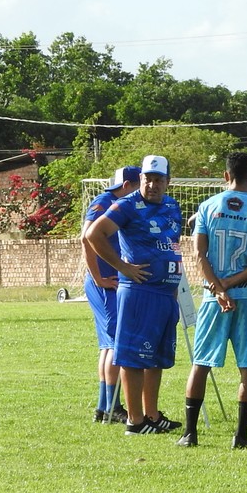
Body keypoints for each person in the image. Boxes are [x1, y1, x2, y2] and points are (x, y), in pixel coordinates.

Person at [180, 152, 247, 448]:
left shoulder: (208, 207)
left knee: (200, 363)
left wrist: (219, 288)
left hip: (213, 298)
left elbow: (198, 254)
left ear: (225, 176)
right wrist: (233, 284)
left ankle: (189, 433)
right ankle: (241, 436)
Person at [85, 155, 184, 435]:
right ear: (140, 179)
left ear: (167, 181)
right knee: (134, 358)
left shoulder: (171, 205)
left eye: (158, 179)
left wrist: (173, 283)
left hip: (166, 292)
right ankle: (135, 420)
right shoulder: (127, 205)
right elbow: (94, 234)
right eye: (147, 178)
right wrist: (122, 267)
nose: (152, 184)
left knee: (157, 358)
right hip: (140, 291)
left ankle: (152, 415)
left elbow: (170, 245)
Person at [80, 164, 140, 424]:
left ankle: (105, 407)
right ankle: (113, 406)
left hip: (108, 281)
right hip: (105, 283)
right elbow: (85, 238)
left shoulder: (114, 204)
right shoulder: (106, 202)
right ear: (127, 185)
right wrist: (98, 278)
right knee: (115, 345)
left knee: (108, 346)